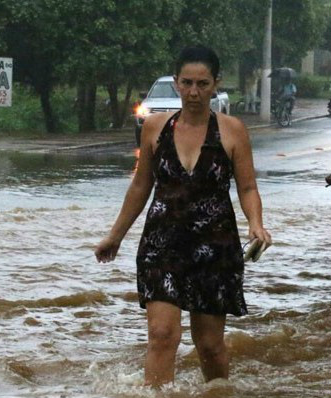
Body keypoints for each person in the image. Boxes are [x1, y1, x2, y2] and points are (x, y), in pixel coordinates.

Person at [94, 45, 272, 387]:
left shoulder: (233, 130)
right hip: (163, 243)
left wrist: (256, 224)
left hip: (214, 246)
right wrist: (115, 236)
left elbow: (248, 188)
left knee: (209, 346)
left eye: (202, 84)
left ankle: (219, 394)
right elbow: (140, 186)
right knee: (162, 334)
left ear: (216, 83)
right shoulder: (155, 127)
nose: (193, 92)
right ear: (176, 83)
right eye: (187, 83)